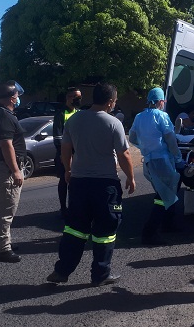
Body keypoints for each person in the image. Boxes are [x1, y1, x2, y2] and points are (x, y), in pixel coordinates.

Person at [46, 83, 135, 286]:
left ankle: (62, 270)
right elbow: (124, 154)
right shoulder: (113, 123)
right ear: (110, 102)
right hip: (105, 185)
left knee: (75, 228)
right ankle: (101, 274)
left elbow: (65, 149)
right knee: (105, 230)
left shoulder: (75, 120)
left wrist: (68, 171)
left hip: (78, 183)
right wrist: (131, 177)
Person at [129, 87, 191, 245]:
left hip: (149, 161)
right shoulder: (162, 116)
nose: (163, 104)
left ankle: (168, 224)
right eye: (163, 101)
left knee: (168, 190)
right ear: (159, 101)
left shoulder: (139, 116)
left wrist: (145, 147)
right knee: (163, 195)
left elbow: (133, 137)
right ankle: (149, 232)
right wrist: (178, 158)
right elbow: (171, 139)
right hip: (163, 160)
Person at [0, 80, 26, 263]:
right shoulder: (4, 116)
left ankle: (1, 243)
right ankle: (2, 249)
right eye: (17, 97)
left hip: (0, 166)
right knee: (6, 208)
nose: (18, 99)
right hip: (5, 168)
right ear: (12, 98)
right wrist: (16, 171)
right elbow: (6, 145)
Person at [53, 87, 82, 219]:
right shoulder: (60, 113)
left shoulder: (80, 113)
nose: (78, 100)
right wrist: (64, 155)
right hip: (64, 154)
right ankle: (63, 208)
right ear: (68, 98)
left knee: (76, 182)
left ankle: (75, 206)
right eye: (76, 97)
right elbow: (57, 137)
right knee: (64, 181)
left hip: (78, 155)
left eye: (80, 97)